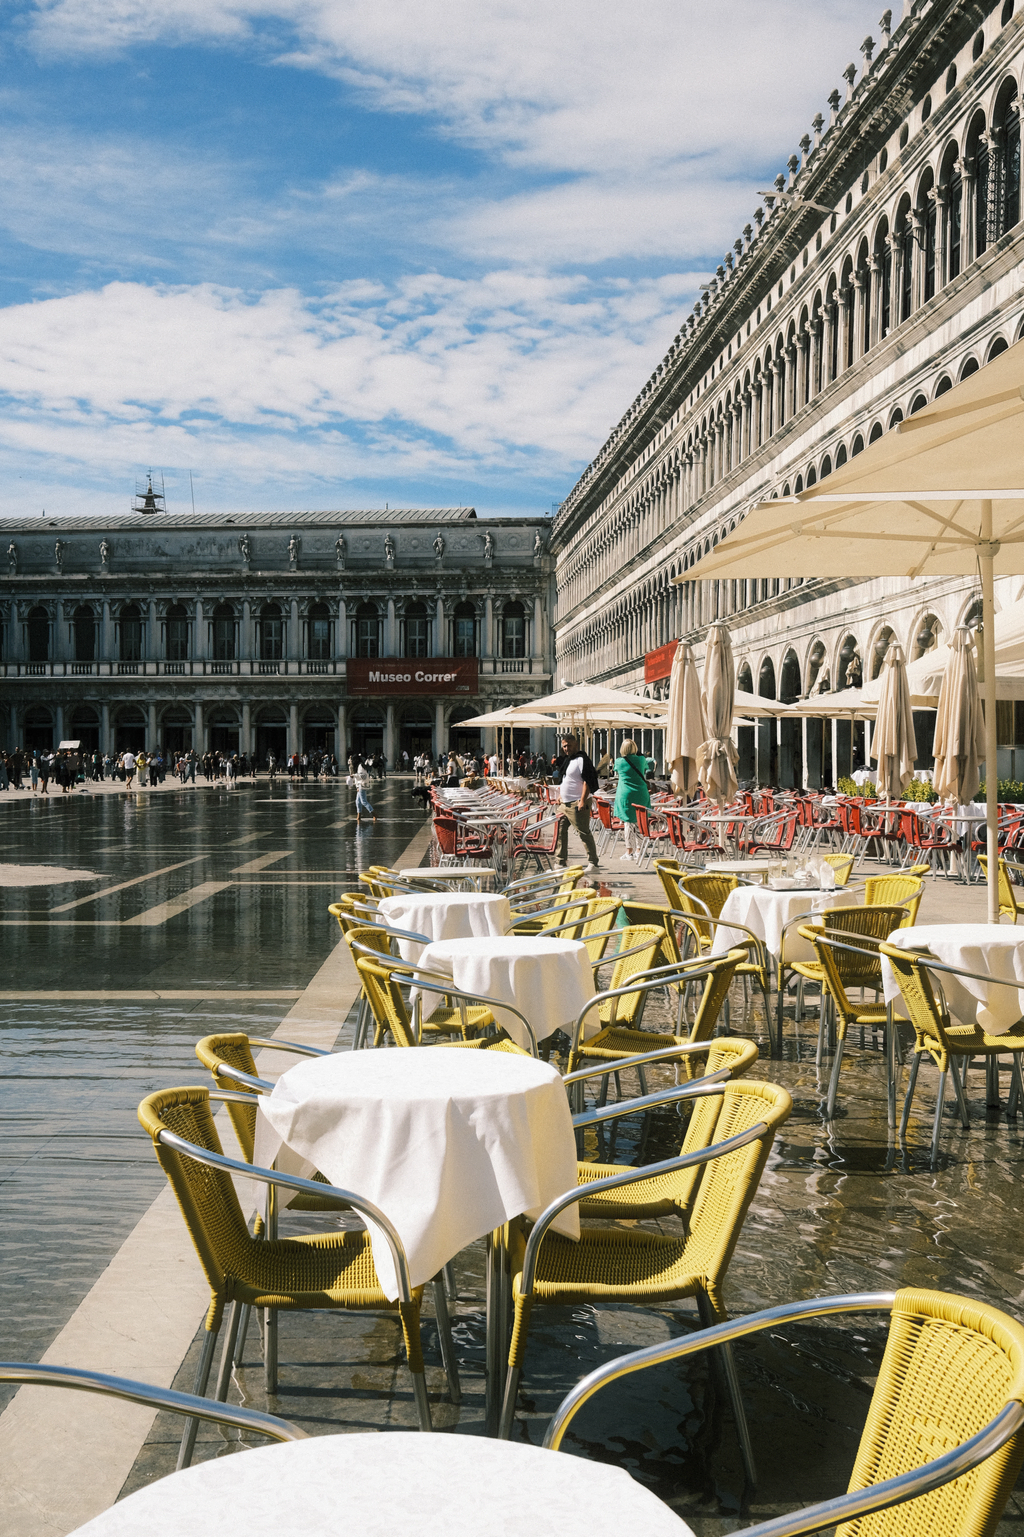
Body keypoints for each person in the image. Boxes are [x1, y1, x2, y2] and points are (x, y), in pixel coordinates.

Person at [554, 734, 600, 872]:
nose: (566, 748)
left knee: (583, 832)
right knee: (560, 830)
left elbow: (587, 780)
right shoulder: (568, 760)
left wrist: (582, 800)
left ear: (576, 744)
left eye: (569, 745)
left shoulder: (581, 759)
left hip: (577, 803)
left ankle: (593, 863)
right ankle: (560, 861)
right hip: (565, 803)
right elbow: (566, 780)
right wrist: (561, 796)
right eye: (564, 746)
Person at [612, 739, 652, 861]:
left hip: (625, 794)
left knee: (628, 822)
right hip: (641, 792)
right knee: (640, 820)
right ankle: (639, 850)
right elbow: (644, 769)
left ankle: (629, 851)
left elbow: (616, 771)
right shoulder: (641, 759)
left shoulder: (619, 762)